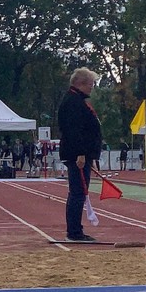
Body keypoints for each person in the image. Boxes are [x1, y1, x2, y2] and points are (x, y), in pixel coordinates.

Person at [57, 67, 102, 242]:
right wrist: (81, 153)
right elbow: (74, 130)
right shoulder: (73, 102)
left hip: (81, 154)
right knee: (78, 193)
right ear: (80, 83)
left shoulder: (76, 100)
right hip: (77, 155)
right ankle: (74, 232)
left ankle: (75, 230)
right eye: (91, 84)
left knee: (78, 192)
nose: (92, 87)